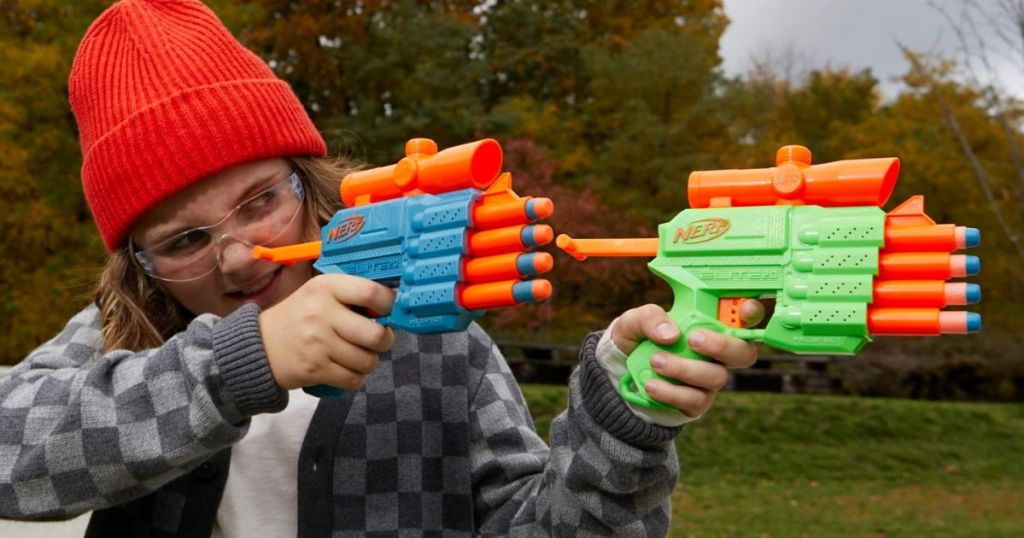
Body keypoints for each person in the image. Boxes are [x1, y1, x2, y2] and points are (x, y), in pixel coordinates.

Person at [0, 0, 760, 535]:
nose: (238, 255)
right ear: (140, 265)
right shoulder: (119, 338)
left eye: (261, 199)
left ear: (307, 180)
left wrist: (622, 425)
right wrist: (241, 364)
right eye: (184, 241)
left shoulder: (436, 337)